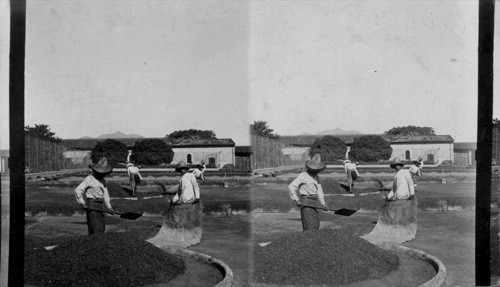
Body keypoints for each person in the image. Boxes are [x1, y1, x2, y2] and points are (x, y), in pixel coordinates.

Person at [75, 157, 115, 235]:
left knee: (102, 227)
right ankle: (94, 244)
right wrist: (83, 203)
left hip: (100, 205)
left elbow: (106, 195)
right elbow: (78, 190)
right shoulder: (89, 179)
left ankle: (96, 244)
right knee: (96, 228)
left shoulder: (103, 181)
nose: (103, 174)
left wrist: (109, 207)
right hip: (92, 205)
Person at [288, 154, 328, 231]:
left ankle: (313, 241)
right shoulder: (303, 175)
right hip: (306, 203)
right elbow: (291, 186)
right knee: (310, 225)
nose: (317, 171)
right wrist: (296, 199)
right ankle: (308, 241)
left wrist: (323, 204)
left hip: (314, 202)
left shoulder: (317, 177)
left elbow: (319, 190)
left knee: (316, 224)